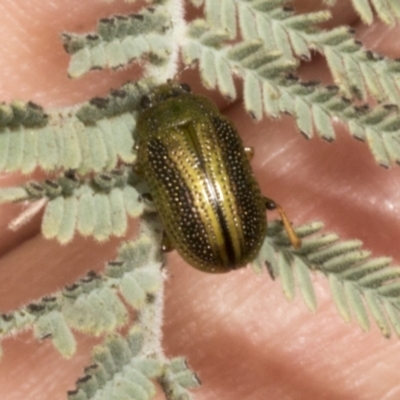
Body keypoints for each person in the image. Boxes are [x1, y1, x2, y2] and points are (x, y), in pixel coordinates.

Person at [1, 1, 400, 399]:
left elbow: (154, 179)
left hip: (211, 238)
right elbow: (244, 158)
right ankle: (290, 235)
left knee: (203, 202)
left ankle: (273, 234)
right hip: (223, 233)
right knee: (261, 192)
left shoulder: (156, 149)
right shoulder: (213, 129)